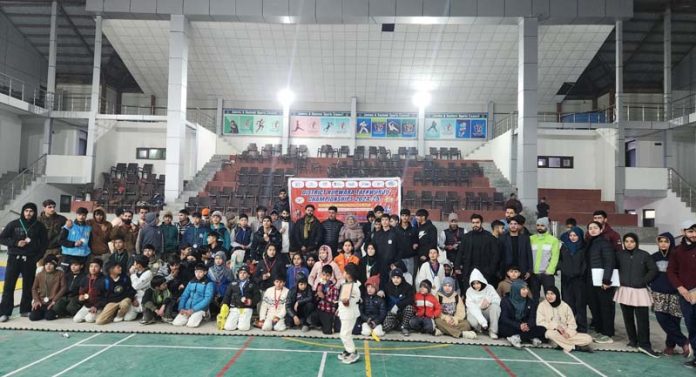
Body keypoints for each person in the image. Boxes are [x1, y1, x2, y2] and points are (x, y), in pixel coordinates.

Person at [0, 202, 48, 322]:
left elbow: (44, 244)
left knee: (28, 286)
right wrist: (16, 243)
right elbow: (2, 238)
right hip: (14, 258)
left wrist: (37, 257)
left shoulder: (39, 226)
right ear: (23, 211)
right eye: (26, 211)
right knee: (8, 286)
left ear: (34, 212)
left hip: (30, 259)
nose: (28, 213)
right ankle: (4, 312)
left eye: (31, 211)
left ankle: (25, 310)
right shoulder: (14, 224)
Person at [614, 233, 660, 357]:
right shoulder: (619, 255)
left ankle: (644, 344)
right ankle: (633, 341)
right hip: (624, 290)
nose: (629, 244)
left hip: (640, 291)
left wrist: (643, 281)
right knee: (628, 318)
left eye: (632, 241)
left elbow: (653, 270)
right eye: (626, 241)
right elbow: (613, 268)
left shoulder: (644, 255)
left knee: (642, 319)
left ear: (636, 242)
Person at [651, 232, 690, 356]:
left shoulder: (677, 256)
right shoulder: (654, 257)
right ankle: (684, 342)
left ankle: (670, 346)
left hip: (675, 293)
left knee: (674, 321)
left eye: (666, 241)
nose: (663, 244)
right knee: (661, 318)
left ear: (671, 243)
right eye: (661, 241)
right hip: (658, 293)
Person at [667, 221, 696, 368]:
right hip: (686, 296)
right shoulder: (677, 251)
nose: (694, 234)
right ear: (683, 231)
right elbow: (671, 271)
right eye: (690, 231)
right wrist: (681, 288)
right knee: (691, 326)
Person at [585, 221, 616, 344]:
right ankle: (600, 330)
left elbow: (610, 261)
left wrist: (606, 280)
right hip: (591, 280)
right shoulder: (590, 243)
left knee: (605, 307)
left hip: (602, 281)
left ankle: (607, 333)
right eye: (590, 228)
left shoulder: (604, 243)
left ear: (601, 229)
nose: (592, 230)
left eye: (595, 228)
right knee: (594, 305)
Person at [536, 287, 593, 353]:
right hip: (553, 331)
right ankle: (574, 347)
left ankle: (563, 344)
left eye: (552, 294)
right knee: (549, 334)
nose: (549, 296)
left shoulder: (565, 306)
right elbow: (540, 322)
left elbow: (572, 324)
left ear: (557, 295)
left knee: (588, 338)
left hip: (566, 333)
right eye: (547, 294)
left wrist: (568, 333)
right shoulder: (542, 305)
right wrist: (556, 326)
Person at [457, 214, 500, 288]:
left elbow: (495, 255)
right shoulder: (466, 237)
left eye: (477, 222)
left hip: (485, 271)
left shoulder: (489, 237)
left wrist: (491, 270)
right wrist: (457, 266)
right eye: (473, 223)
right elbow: (460, 252)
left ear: (481, 223)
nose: (475, 225)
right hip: (469, 270)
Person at [500, 280, 545, 348]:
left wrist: (528, 325)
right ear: (516, 290)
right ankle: (530, 337)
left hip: (525, 326)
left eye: (526, 289)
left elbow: (532, 318)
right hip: (512, 326)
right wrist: (519, 325)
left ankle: (518, 338)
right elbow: (504, 318)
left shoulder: (530, 302)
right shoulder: (506, 300)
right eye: (523, 289)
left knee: (542, 328)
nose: (526, 291)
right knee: (503, 328)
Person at [559, 226, 588, 332]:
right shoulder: (564, 247)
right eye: (570, 235)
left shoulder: (584, 248)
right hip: (566, 279)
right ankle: (569, 325)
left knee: (580, 304)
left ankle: (582, 327)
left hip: (579, 280)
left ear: (579, 236)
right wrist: (564, 268)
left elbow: (585, 263)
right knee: (567, 303)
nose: (572, 237)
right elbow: (559, 260)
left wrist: (580, 272)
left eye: (575, 235)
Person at [173, 263, 214, 328]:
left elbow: (207, 299)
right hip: (187, 307)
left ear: (205, 272)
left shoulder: (209, 283)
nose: (197, 274)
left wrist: (193, 310)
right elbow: (184, 296)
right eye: (196, 272)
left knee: (191, 325)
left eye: (200, 272)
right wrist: (181, 308)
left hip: (200, 308)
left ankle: (206, 313)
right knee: (176, 323)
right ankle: (190, 316)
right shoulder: (191, 282)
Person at [529, 217, 560, 299]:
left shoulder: (553, 240)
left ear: (547, 226)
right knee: (533, 297)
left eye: (542, 225)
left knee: (550, 297)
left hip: (547, 274)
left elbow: (555, 257)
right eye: (538, 225)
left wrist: (550, 271)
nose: (539, 227)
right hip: (533, 274)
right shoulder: (531, 239)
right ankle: (535, 312)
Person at [465, 268, 501, 339]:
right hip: (474, 312)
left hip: (486, 310)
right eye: (473, 284)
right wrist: (480, 306)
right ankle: (481, 328)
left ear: (481, 282)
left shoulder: (489, 288)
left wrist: (489, 301)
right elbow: (471, 307)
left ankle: (493, 331)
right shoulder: (469, 291)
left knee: (495, 307)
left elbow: (498, 300)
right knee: (474, 322)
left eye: (478, 283)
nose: (476, 286)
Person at [221, 265, 259, 331]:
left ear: (248, 275)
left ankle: (244, 320)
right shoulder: (232, 284)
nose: (242, 274)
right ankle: (238, 320)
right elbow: (227, 296)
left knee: (243, 328)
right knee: (228, 327)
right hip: (235, 308)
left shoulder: (253, 284)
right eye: (240, 273)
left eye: (244, 273)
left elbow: (258, 296)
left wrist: (252, 301)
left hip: (246, 308)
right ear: (238, 274)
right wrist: (224, 305)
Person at [337, 264, 362, 364]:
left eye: (344, 271)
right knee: (344, 333)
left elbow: (348, 302)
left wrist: (345, 302)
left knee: (345, 334)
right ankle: (348, 350)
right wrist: (339, 308)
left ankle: (353, 352)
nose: (343, 273)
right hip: (345, 313)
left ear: (349, 274)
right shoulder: (347, 285)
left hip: (349, 314)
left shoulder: (353, 287)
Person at [499, 215, 533, 285]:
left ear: (518, 225)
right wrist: (500, 271)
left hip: (522, 270)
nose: (513, 226)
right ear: (508, 225)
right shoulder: (502, 238)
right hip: (507, 270)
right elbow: (500, 256)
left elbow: (529, 255)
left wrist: (529, 271)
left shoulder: (525, 238)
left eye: (515, 224)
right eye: (511, 224)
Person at [30, 255, 65, 321]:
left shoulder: (60, 274)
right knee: (33, 317)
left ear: (55, 265)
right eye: (46, 264)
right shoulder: (40, 274)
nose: (48, 266)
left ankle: (50, 312)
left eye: (51, 264)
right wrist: (36, 300)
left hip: (53, 302)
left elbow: (63, 288)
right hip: (41, 301)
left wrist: (55, 300)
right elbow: (34, 288)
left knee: (49, 317)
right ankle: (44, 312)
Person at [382, 268, 415, 336]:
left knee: (410, 308)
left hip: (403, 311)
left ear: (401, 278)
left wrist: (398, 305)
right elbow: (384, 301)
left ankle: (404, 326)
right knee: (385, 327)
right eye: (393, 277)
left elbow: (411, 299)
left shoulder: (408, 287)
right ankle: (398, 323)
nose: (395, 280)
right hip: (392, 312)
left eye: (398, 277)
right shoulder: (387, 286)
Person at [73, 258, 104, 323]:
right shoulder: (85, 278)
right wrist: (81, 297)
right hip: (87, 305)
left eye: (96, 266)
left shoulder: (104, 280)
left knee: (89, 319)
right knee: (76, 319)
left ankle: (100, 313)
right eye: (91, 266)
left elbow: (106, 296)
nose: (93, 268)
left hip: (98, 306)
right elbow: (81, 292)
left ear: (100, 268)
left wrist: (96, 307)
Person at [312, 264, 340, 334]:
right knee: (311, 318)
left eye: (327, 275)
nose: (325, 277)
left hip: (328, 311)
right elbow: (316, 299)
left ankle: (328, 323)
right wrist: (317, 294)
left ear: (331, 276)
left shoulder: (334, 287)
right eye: (323, 275)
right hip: (320, 309)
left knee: (328, 331)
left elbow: (334, 302)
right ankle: (321, 323)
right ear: (321, 275)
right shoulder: (319, 285)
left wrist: (324, 297)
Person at [208, 251, 232, 317]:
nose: (218, 260)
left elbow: (231, 283)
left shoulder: (228, 271)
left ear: (224, 259)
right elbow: (208, 282)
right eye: (216, 258)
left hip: (224, 293)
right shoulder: (210, 270)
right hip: (213, 291)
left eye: (220, 258)